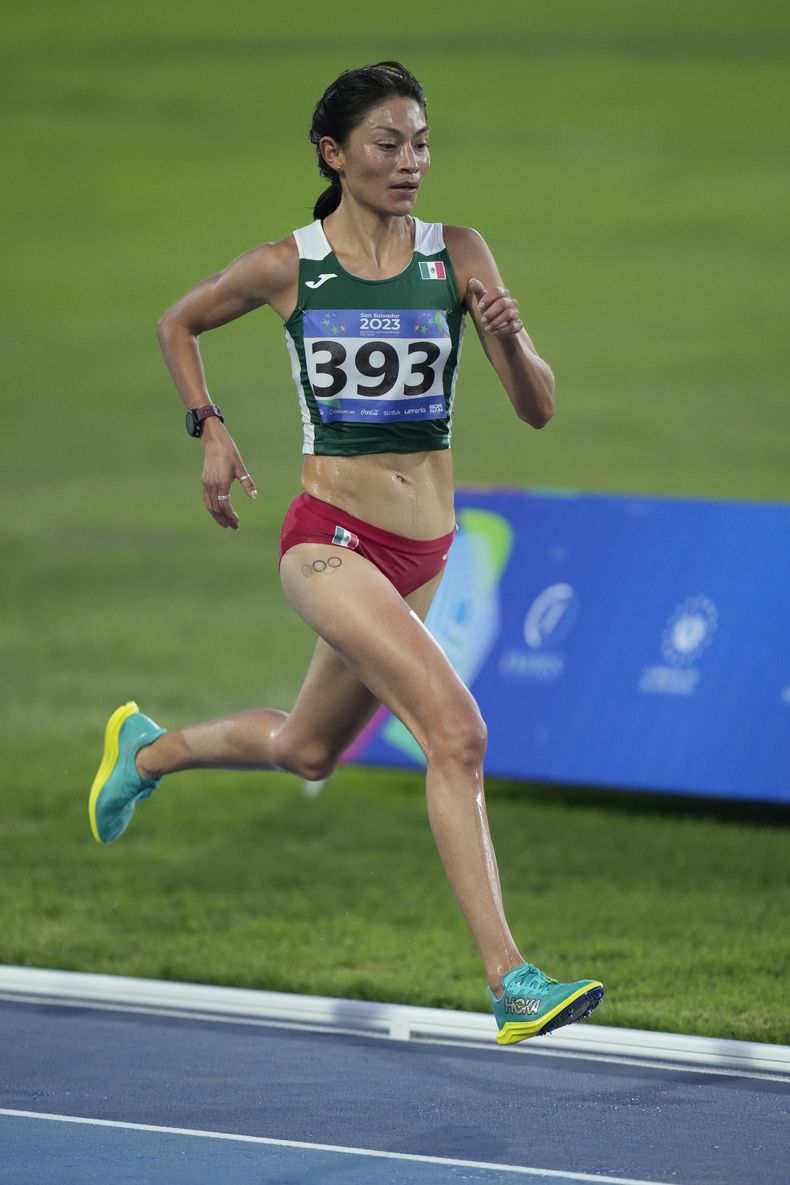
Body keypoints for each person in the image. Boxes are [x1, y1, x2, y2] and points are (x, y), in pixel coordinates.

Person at [88, 62, 603, 1045]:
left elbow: (535, 410)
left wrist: (512, 337)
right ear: (334, 153)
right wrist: (210, 428)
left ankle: (145, 750)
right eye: (386, 144)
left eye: (419, 144)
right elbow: (179, 322)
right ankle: (510, 980)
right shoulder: (293, 266)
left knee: (306, 748)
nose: (409, 163)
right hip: (327, 543)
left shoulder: (459, 252)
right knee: (456, 736)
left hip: (425, 551)